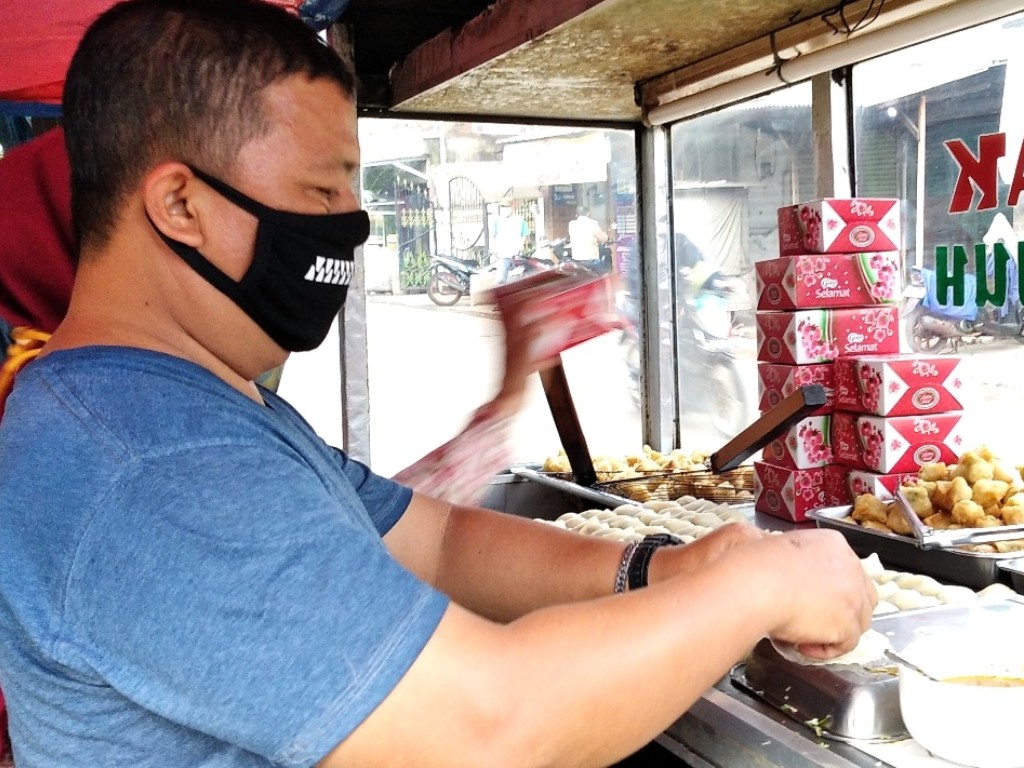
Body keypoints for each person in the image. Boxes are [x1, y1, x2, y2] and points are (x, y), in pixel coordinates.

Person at [0, 2, 876, 767]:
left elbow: (442, 544)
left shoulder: (207, 406)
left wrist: (664, 566)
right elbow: (490, 725)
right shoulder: (152, 460)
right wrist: (753, 589)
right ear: (178, 204)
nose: (352, 225)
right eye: (320, 189)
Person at [491, 196, 528, 283]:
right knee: (501, 280)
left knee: (517, 280)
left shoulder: (520, 220)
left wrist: (521, 246)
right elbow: (493, 236)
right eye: (502, 207)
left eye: (506, 207)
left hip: (516, 255)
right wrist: (495, 249)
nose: (504, 209)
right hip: (502, 255)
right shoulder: (497, 220)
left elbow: (525, 235)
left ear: (512, 207)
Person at [568, 204, 609, 270]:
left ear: (577, 214)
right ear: (588, 213)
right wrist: (605, 236)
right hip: (591, 259)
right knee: (603, 273)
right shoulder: (593, 224)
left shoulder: (572, 224)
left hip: (577, 259)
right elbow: (603, 238)